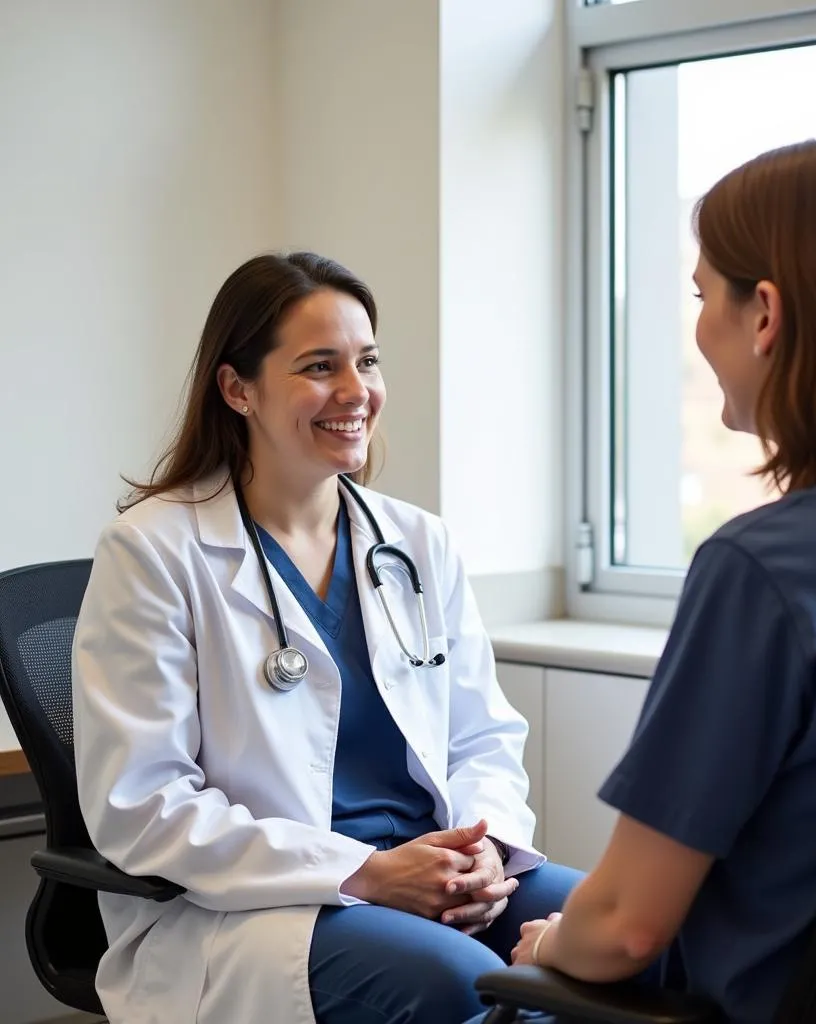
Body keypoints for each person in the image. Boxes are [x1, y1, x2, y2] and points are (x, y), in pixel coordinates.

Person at [502, 131, 816, 1024]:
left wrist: (549, 946)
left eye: (704, 296)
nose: (701, 329)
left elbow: (626, 927)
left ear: (767, 314)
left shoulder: (765, 573)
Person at [71, 252, 582, 1024]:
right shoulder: (153, 551)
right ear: (237, 388)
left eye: (367, 361)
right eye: (319, 366)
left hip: (433, 865)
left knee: (626, 937)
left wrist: (486, 846)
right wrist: (366, 872)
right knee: (462, 983)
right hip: (263, 908)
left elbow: (483, 737)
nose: (355, 392)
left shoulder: (417, 541)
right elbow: (146, 807)